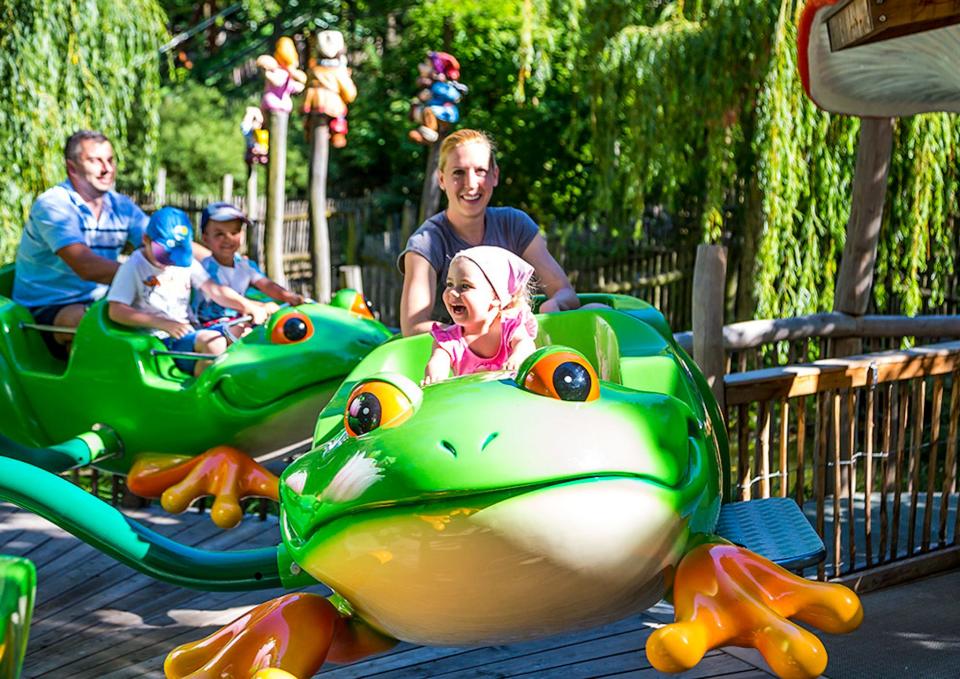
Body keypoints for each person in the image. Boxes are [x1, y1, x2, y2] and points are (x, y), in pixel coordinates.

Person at [399, 129, 579, 337]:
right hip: (455, 361)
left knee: (594, 310)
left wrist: (554, 305)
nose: (471, 183)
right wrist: (484, 333)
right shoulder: (426, 243)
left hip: (517, 349)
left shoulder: (514, 224)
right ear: (441, 179)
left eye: (480, 171)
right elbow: (413, 327)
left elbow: (565, 292)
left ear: (495, 176)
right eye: (458, 172)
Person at [13, 130, 149, 354]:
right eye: (96, 161)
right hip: (43, 310)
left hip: (99, 302)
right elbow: (86, 266)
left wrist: (212, 265)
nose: (107, 169)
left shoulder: (121, 206)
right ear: (72, 167)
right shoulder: (54, 205)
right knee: (88, 325)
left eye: (110, 160)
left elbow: (164, 242)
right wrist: (150, 276)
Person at [107, 207, 270, 376]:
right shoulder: (134, 266)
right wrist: (163, 323)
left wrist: (248, 306)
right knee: (214, 344)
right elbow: (116, 310)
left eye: (176, 254)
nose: (170, 261)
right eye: (163, 254)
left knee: (245, 332)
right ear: (146, 239)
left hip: (190, 330)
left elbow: (216, 291)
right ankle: (202, 393)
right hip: (160, 338)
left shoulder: (185, 263)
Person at [423, 245, 537, 384]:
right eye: (449, 284)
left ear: (495, 296)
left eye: (465, 286)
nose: (452, 292)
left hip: (510, 400)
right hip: (473, 403)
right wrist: (435, 376)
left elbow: (525, 344)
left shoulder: (510, 327)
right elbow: (438, 361)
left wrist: (518, 357)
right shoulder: (449, 340)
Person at [193, 201, 303, 325]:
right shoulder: (206, 268)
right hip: (210, 324)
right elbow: (223, 298)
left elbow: (266, 285)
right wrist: (260, 306)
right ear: (205, 238)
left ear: (242, 235)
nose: (228, 238)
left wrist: (287, 296)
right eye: (219, 234)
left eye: (234, 232)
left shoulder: (245, 265)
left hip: (240, 318)